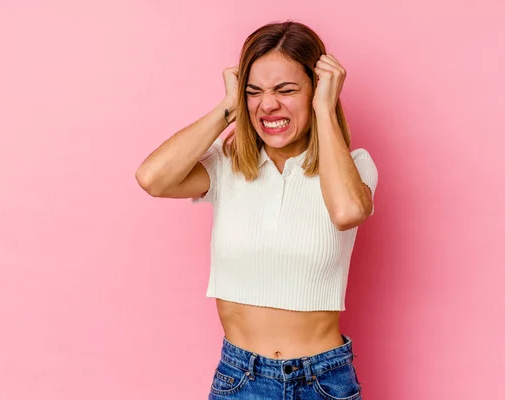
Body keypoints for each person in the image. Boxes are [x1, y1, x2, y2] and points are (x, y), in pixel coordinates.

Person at [135, 20, 377, 400]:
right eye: (254, 92)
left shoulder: (355, 167)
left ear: (315, 90)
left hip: (323, 380)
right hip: (241, 379)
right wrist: (227, 108)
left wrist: (324, 110)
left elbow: (347, 211)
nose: (268, 104)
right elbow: (152, 178)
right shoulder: (226, 167)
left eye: (286, 90)